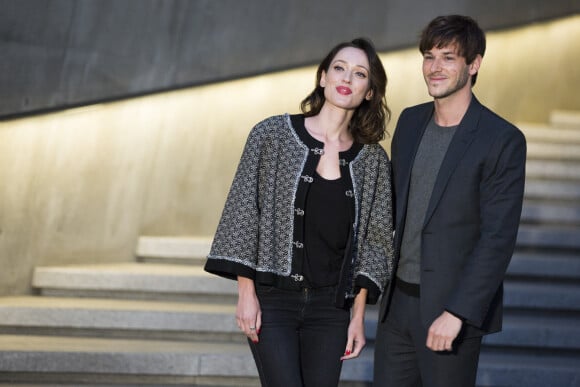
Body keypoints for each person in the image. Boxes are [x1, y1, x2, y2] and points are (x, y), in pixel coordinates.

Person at [205, 37, 394, 387]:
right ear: (322, 77)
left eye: (359, 74)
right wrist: (246, 295)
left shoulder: (374, 162)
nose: (346, 78)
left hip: (331, 309)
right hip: (274, 300)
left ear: (369, 91)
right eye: (339, 68)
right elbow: (244, 211)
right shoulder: (271, 135)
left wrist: (357, 316)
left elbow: (377, 241)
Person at [373, 15, 527, 387]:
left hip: (449, 310)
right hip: (397, 309)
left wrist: (457, 313)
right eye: (429, 56)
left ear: (473, 65)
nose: (434, 68)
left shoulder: (502, 139)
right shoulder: (409, 123)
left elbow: (497, 239)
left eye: (448, 57)